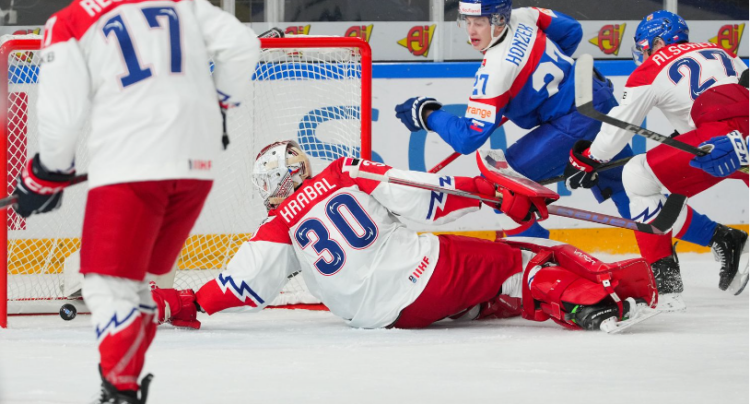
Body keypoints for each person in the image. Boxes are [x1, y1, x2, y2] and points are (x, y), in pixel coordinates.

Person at [11, 0, 260, 404]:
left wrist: (44, 176)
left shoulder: (71, 20)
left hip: (131, 163)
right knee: (137, 282)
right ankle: (124, 382)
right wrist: (222, 105)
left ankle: (121, 390)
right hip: (198, 163)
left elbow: (60, 117)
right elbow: (241, 45)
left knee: (104, 284)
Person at [151, 140, 657, 333]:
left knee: (487, 293)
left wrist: (184, 304)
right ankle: (592, 303)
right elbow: (424, 196)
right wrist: (488, 193)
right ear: (298, 168)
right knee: (521, 262)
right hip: (424, 274)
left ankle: (491, 304)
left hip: (388, 319)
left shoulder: (277, 226)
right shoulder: (345, 172)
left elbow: (241, 286)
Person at [395, 0, 633, 238]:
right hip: (600, 98)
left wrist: (428, 114)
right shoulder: (525, 15)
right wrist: (538, 83)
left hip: (573, 123)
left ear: (498, 20)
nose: (471, 30)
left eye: (479, 23)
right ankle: (662, 267)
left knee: (501, 188)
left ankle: (545, 264)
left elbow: (467, 139)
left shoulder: (494, 71)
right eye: (468, 21)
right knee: (627, 186)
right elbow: (572, 31)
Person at [565, 10, 749, 309]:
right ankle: (723, 239)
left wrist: (590, 157)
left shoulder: (651, 68)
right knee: (664, 181)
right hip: (737, 134)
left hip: (720, 137)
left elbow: (618, 127)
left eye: (645, 45)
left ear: (659, 41)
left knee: (636, 176)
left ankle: (666, 284)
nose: (643, 52)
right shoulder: (720, 51)